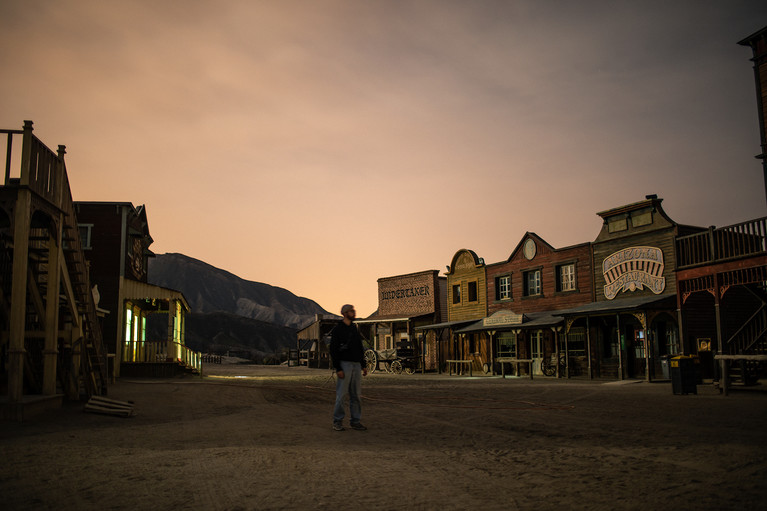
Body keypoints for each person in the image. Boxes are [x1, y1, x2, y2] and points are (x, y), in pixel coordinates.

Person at [330, 304, 368, 431]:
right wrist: (338, 368)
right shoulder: (338, 330)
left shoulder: (354, 329)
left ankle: (355, 421)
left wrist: (363, 365)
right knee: (341, 395)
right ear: (345, 313)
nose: (354, 312)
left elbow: (359, 348)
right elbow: (333, 350)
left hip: (356, 364)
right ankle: (337, 421)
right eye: (351, 311)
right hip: (344, 364)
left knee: (356, 395)